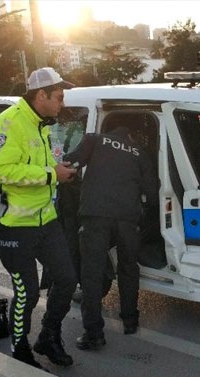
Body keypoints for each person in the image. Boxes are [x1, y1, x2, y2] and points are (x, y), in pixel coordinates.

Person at [0, 67, 78, 369]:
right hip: (14, 226)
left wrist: (59, 173)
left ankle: (48, 336)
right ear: (41, 95)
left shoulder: (41, 125)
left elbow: (36, 169)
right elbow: (2, 170)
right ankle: (19, 349)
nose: (62, 103)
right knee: (27, 293)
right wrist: (51, 175)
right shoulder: (9, 123)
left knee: (68, 279)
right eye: (58, 98)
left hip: (45, 221)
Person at [65, 116, 157, 350]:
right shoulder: (139, 152)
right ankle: (129, 321)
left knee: (92, 274)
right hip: (128, 218)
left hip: (95, 216)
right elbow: (152, 192)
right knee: (128, 268)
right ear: (130, 135)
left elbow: (70, 163)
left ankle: (93, 334)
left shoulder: (94, 140)